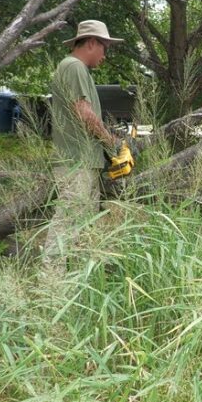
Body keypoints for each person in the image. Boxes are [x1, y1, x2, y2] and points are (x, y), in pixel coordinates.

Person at [42, 20, 125, 263]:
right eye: (105, 48)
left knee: (82, 222)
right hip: (75, 161)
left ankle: (76, 281)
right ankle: (52, 280)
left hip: (84, 160)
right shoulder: (74, 66)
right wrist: (113, 143)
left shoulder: (76, 69)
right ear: (91, 42)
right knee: (67, 221)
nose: (105, 55)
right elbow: (84, 114)